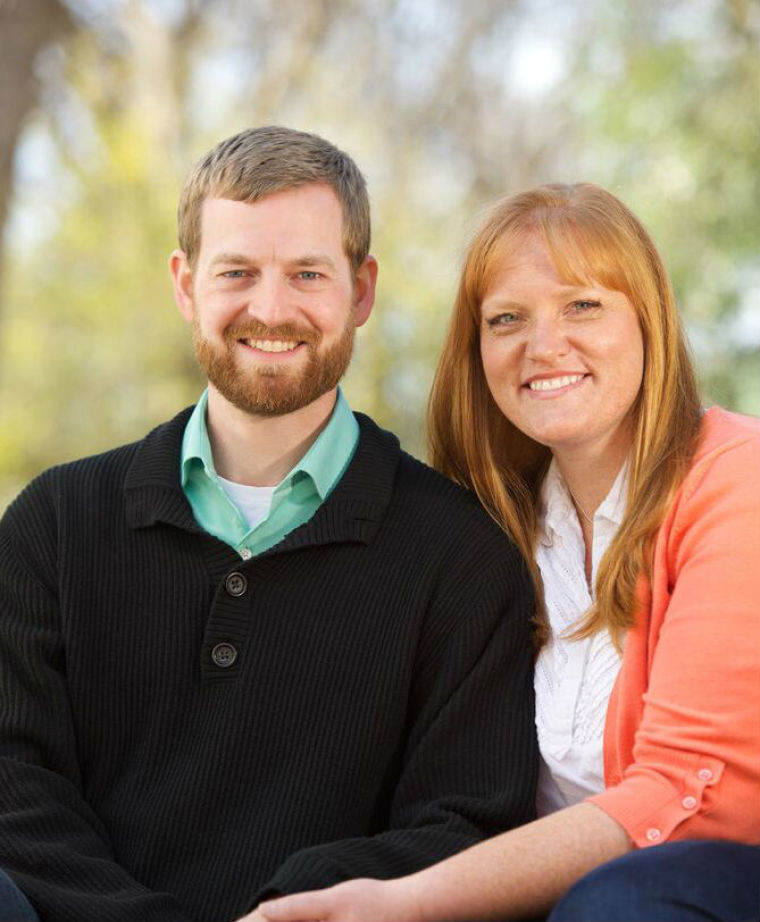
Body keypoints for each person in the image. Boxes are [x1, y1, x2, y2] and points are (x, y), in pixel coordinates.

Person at [0, 127, 539, 922]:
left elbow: (465, 819)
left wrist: (292, 906)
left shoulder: (460, 555)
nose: (271, 308)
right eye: (237, 272)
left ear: (361, 291)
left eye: (308, 273)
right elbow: (14, 779)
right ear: (186, 286)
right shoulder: (55, 521)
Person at [253, 183, 760, 922]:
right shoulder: (492, 531)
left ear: (647, 320)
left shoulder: (734, 479)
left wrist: (408, 901)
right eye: (507, 319)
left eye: (583, 306)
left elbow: (696, 794)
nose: (543, 346)